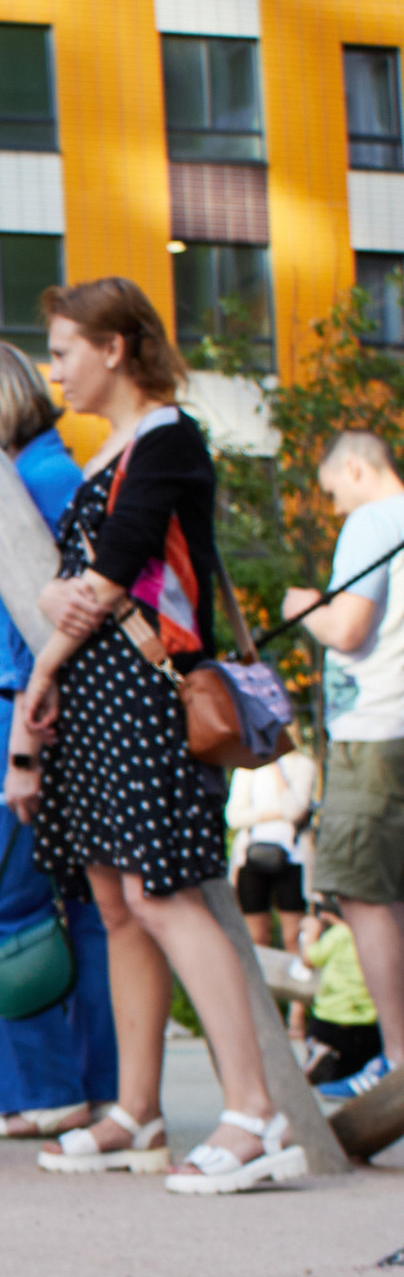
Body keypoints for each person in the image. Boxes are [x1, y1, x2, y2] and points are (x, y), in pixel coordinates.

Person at [12, 275, 301, 1193]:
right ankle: (136, 1111)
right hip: (101, 704)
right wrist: (67, 610)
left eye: (62, 351)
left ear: (114, 348)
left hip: (144, 697)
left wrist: (47, 665)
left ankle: (256, 1115)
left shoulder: (169, 439)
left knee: (168, 896)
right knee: (117, 905)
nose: (53, 370)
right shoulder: (111, 454)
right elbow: (80, 584)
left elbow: (105, 579)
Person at [0, 340, 119, 1142]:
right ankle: (95, 1086)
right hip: (44, 721)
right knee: (80, 909)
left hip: (19, 726)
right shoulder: (56, 472)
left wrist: (20, 752)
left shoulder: (26, 479)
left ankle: (43, 1090)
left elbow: (33, 627)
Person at [283, 427, 404, 1092]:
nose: (332, 509)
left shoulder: (373, 520)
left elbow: (349, 629)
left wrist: (306, 607)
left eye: (331, 493)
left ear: (356, 470)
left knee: (361, 891)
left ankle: (396, 1054)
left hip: (376, 726)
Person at [225, 748, 316, 954]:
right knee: (256, 936)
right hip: (251, 858)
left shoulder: (303, 764)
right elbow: (234, 817)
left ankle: (295, 983)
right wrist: (274, 813)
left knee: (293, 936)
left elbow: (295, 811)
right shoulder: (247, 766)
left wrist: (277, 769)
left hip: (293, 858)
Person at [295, 906, 384, 1088]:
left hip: (330, 1021)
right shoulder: (382, 936)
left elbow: (310, 959)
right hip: (368, 1024)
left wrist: (311, 932)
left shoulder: (340, 933)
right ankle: (359, 1075)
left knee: (319, 1037)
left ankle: (320, 1050)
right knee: (352, 1070)